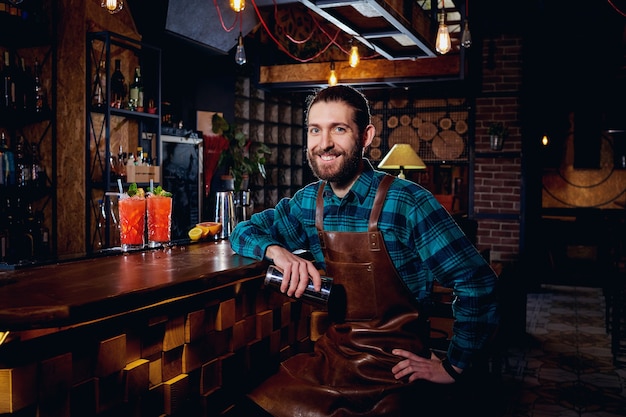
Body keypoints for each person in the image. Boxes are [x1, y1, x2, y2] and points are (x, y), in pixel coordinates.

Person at [229, 85, 499, 416]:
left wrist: (453, 366)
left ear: (366, 136)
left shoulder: (407, 202)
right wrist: (277, 252)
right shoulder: (307, 203)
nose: (324, 143)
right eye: (315, 130)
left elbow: (478, 282)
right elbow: (242, 232)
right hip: (331, 361)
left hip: (397, 371)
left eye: (338, 129)